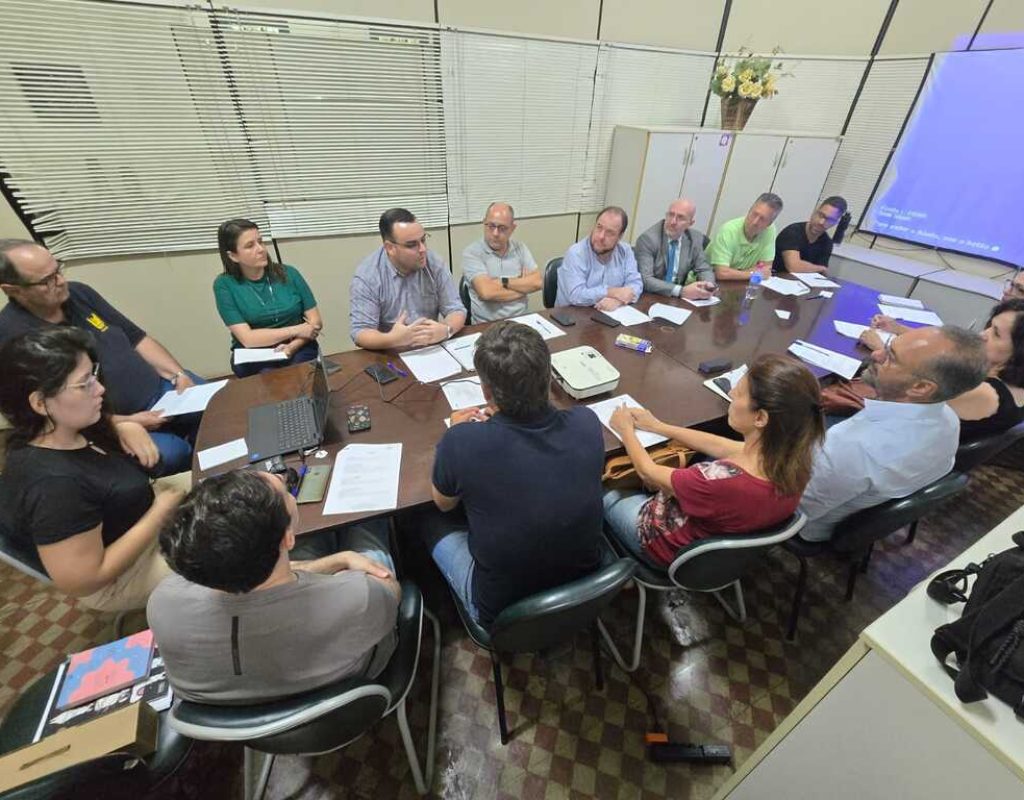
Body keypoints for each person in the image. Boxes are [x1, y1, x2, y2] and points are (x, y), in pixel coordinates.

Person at [148, 469, 400, 704]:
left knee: (320, 545)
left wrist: (337, 560)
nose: (281, 478)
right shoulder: (358, 598)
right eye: (284, 491)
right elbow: (391, 589)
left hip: (241, 716)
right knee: (367, 529)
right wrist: (348, 560)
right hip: (347, 692)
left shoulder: (163, 603)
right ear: (288, 538)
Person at [424, 321, 605, 628]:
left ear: (486, 392)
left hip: (505, 613)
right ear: (549, 377)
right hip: (586, 589)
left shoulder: (462, 440)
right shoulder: (586, 422)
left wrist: (454, 434)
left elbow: (443, 503)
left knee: (427, 520)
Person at [0, 328, 183, 611]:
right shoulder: (51, 485)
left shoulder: (72, 427)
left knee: (239, 481)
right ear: (39, 403)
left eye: (93, 375)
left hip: (145, 514)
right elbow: (87, 579)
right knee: (244, 542)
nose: (100, 389)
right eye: (84, 383)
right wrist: (159, 512)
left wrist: (125, 425)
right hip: (125, 574)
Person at [0, 239, 202, 476]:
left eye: (58, 269)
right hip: (108, 423)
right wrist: (121, 422)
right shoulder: (13, 337)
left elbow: (137, 338)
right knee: (171, 454)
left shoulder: (79, 293)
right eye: (47, 280)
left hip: (160, 392)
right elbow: (47, 415)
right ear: (12, 289)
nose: (61, 281)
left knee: (219, 403)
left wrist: (177, 374)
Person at [603, 354, 824, 567]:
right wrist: (658, 426)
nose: (731, 397)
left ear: (760, 417)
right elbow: (718, 445)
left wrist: (626, 431)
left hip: (660, 543)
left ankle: (604, 560)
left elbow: (647, 471)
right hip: (724, 549)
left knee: (602, 489)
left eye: (737, 395)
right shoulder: (792, 461)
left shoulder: (716, 480)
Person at [799, 326, 988, 542]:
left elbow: (799, 506)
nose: (876, 354)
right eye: (889, 345)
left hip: (808, 523)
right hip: (850, 500)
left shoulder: (855, 446)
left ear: (920, 387)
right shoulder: (949, 420)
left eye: (891, 357)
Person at [860, 300, 1024, 442]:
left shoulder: (984, 393)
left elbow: (904, 384)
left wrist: (884, 350)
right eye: (989, 327)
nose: (982, 335)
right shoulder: (1009, 383)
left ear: (1018, 351)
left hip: (897, 446)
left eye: (995, 334)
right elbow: (946, 349)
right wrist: (898, 328)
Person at [213, 219, 323, 378]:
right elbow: (248, 339)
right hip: (254, 354)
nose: (261, 249)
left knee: (299, 375)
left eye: (260, 242)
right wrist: (298, 329)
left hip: (298, 345)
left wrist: (292, 346)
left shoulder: (289, 273)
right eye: (250, 246)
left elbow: (315, 322)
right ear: (233, 256)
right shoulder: (224, 285)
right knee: (269, 379)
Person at [349, 208, 466, 350]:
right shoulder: (368, 276)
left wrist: (446, 329)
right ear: (390, 248)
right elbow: (361, 332)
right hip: (391, 353)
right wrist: (393, 339)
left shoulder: (433, 262)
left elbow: (456, 309)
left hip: (431, 348)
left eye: (423, 240)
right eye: (412, 245)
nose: (422, 249)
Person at [462, 202, 541, 322]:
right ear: (484, 223)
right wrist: (523, 288)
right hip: (487, 326)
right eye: (491, 226)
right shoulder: (472, 253)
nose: (495, 233)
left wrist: (502, 282)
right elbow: (487, 292)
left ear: (513, 228)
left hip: (521, 322)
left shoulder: (520, 248)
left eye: (502, 228)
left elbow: (537, 282)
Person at [555, 206, 644, 309]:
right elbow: (575, 296)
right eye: (599, 227)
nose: (601, 236)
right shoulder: (576, 253)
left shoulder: (625, 251)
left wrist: (618, 301)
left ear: (620, 236)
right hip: (572, 317)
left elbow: (636, 284)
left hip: (609, 315)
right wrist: (611, 292)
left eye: (610, 232)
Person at [634, 198, 717, 299]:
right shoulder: (648, 239)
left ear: (690, 223)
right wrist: (681, 291)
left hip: (679, 299)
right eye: (671, 214)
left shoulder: (695, 238)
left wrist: (707, 286)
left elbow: (704, 269)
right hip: (652, 295)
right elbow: (645, 279)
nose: (673, 221)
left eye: (680, 217)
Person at [706, 193, 784, 282]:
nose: (755, 222)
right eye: (754, 214)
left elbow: (766, 267)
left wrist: (735, 274)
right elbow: (721, 273)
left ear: (769, 224)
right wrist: (753, 273)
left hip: (738, 284)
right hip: (706, 282)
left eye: (762, 219)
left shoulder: (770, 230)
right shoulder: (728, 231)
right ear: (749, 210)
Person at [773, 196, 849, 275]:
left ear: (835, 223)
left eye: (829, 219)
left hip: (801, 285)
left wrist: (818, 269)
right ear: (815, 211)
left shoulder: (827, 243)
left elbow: (820, 274)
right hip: (775, 280)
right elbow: (793, 267)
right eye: (821, 215)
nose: (821, 222)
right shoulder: (793, 231)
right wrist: (819, 268)